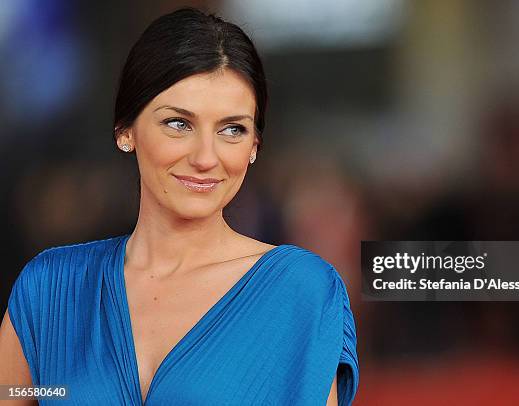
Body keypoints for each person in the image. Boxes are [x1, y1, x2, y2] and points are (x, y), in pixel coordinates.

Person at [0, 7, 359, 405]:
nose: (206, 156)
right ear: (126, 131)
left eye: (232, 129)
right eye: (178, 123)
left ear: (254, 147)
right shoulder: (49, 289)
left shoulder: (301, 291)